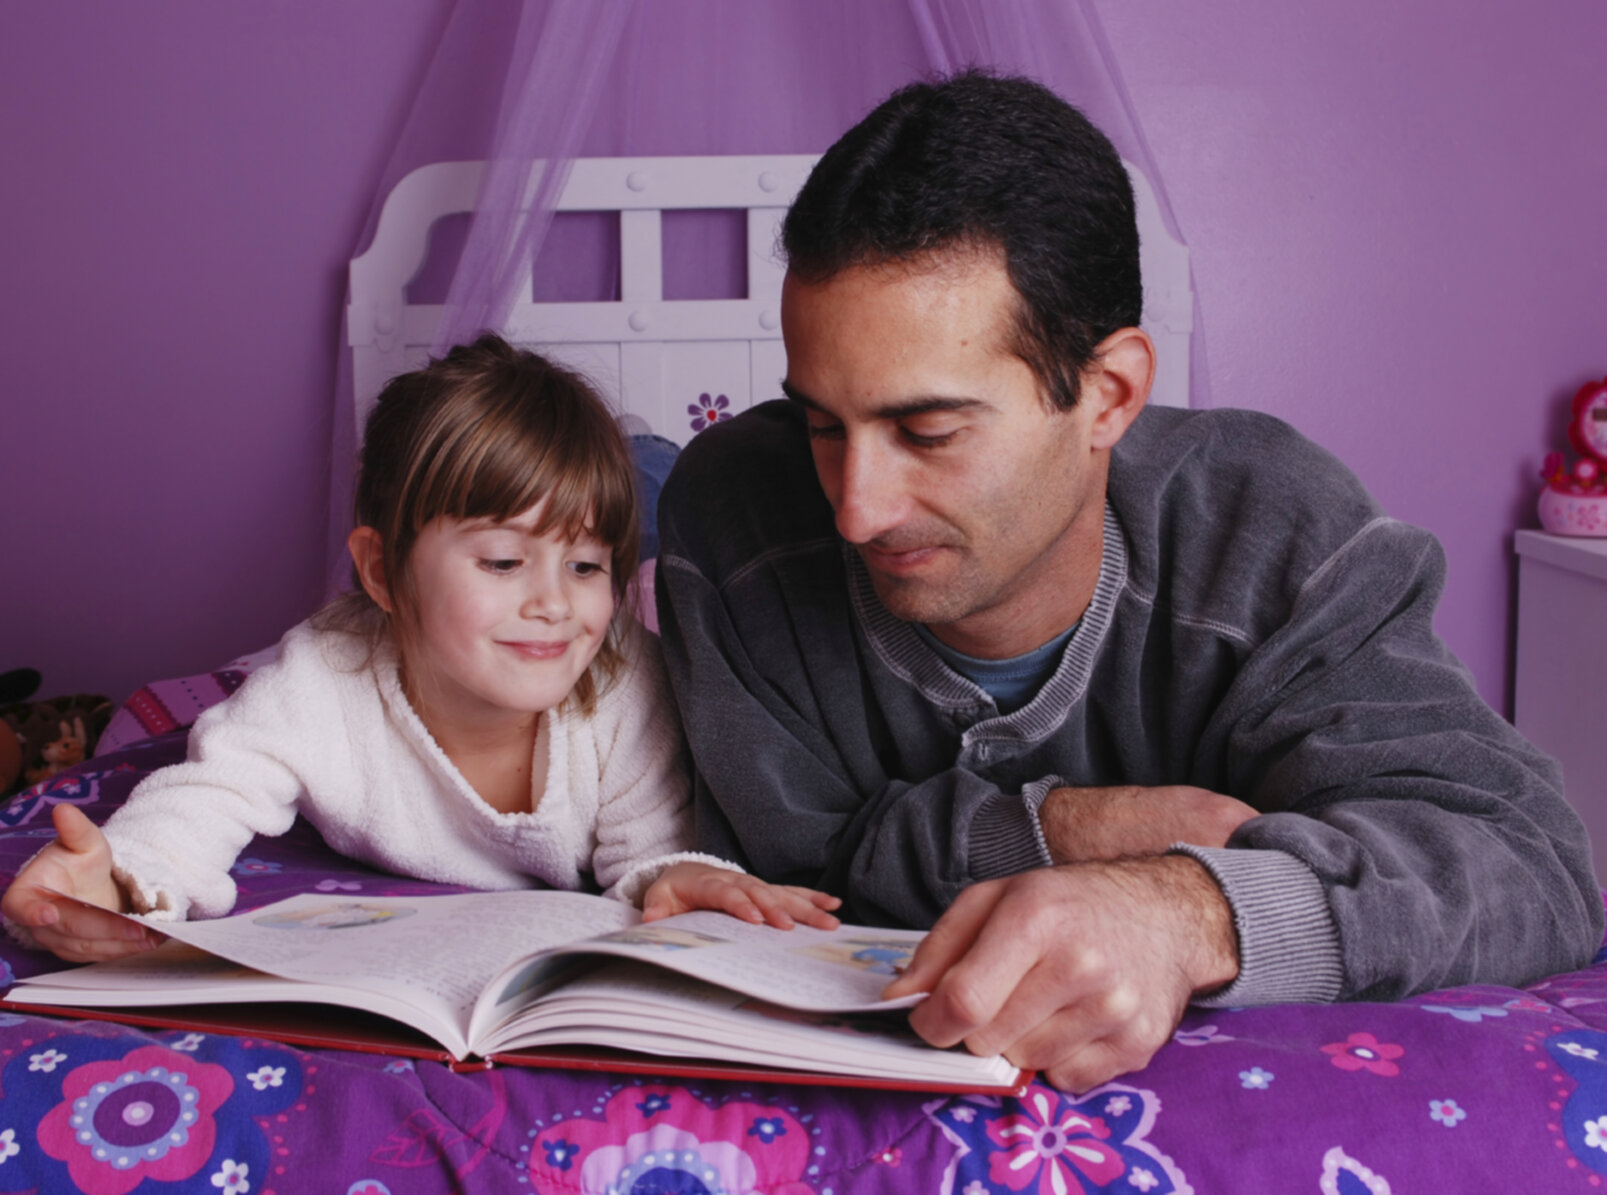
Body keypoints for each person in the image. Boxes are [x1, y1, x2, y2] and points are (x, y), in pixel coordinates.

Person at [654, 71, 1602, 1091]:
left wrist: (1181, 908)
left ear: (1106, 396)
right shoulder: (734, 514)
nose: (855, 507)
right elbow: (788, 882)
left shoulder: (1277, 532)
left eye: (926, 431)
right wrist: (1070, 828)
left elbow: (1527, 866)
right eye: (821, 423)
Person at [3, 334, 839, 964]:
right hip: (357, 651)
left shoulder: (622, 676)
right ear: (380, 569)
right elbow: (203, 797)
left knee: (662, 489)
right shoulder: (322, 681)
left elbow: (651, 845)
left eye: (586, 565)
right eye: (505, 561)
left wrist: (683, 877)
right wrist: (119, 878)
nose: (553, 602)